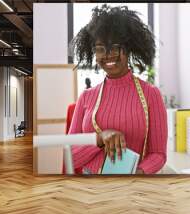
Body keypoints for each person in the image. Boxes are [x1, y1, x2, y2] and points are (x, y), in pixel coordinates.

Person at [69, 5, 167, 174]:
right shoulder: (86, 97)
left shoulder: (151, 94)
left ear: (128, 48)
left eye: (115, 47)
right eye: (100, 49)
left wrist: (138, 173)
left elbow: (158, 154)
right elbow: (70, 155)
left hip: (134, 185)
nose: (108, 55)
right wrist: (100, 139)